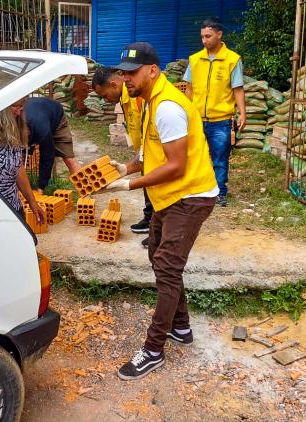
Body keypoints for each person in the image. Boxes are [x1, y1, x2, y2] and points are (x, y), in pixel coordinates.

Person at [97, 42, 218, 380]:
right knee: (157, 254)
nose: (125, 78)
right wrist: (127, 168)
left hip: (191, 196)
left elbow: (177, 165)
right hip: (171, 198)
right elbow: (153, 153)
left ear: (152, 70)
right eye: (123, 72)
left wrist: (129, 186)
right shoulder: (150, 102)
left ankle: (153, 350)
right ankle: (181, 328)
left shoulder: (167, 106)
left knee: (166, 265)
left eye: (132, 72)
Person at [183, 17, 246, 207]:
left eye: (208, 36)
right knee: (194, 156)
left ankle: (220, 192)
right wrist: (186, 111)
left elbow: (238, 89)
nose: (204, 40)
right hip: (196, 119)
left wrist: (242, 113)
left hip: (221, 120)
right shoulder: (194, 59)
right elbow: (189, 89)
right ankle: (195, 189)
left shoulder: (232, 60)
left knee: (219, 159)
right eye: (202, 37)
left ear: (219, 35)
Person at [91, 67, 151, 248]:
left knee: (157, 184)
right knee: (148, 182)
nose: (105, 100)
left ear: (112, 84)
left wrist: (127, 174)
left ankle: (159, 228)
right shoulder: (126, 98)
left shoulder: (137, 97)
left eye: (104, 95)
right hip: (145, 147)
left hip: (153, 146)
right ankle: (150, 219)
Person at [16, 97, 82, 193]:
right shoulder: (13, 124)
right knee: (17, 160)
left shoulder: (42, 130)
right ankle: (17, 192)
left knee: (69, 159)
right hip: (37, 112)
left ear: (30, 132)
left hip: (55, 116)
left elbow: (47, 157)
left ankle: (85, 192)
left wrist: (41, 188)